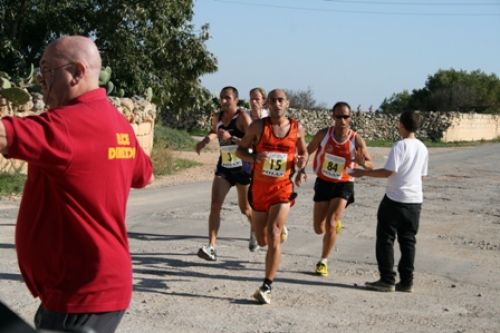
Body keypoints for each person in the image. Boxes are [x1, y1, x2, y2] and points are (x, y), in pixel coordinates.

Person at [0, 36, 153, 332]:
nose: (41, 79)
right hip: (99, 287)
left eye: (47, 70)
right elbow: (145, 175)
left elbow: (5, 135)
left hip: (81, 293)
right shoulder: (118, 124)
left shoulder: (67, 125)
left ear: (78, 72)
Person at [237, 89, 308, 304]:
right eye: (273, 100)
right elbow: (240, 151)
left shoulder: (297, 128)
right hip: (259, 189)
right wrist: (255, 156)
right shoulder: (258, 127)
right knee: (263, 239)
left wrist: (301, 169)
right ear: (268, 103)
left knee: (274, 233)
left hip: (282, 188)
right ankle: (276, 229)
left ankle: (267, 285)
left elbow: (304, 153)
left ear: (287, 103)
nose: (277, 104)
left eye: (281, 100)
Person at [350, 110, 428, 292]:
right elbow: (422, 176)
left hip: (394, 199)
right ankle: (407, 281)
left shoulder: (400, 146)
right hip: (415, 201)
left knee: (385, 238)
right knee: (408, 241)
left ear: (401, 124)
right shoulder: (423, 148)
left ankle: (387, 279)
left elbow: (388, 172)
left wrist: (364, 172)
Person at [296, 102, 373, 277]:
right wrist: (301, 170)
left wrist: (362, 163)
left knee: (330, 223)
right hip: (324, 182)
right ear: (333, 117)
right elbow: (306, 152)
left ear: (350, 118)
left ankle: (323, 261)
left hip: (344, 183)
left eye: (346, 117)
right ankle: (334, 225)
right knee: (318, 228)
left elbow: (370, 164)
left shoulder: (356, 139)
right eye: (339, 116)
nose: (342, 120)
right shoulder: (323, 135)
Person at [195, 86, 255, 260]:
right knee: (215, 205)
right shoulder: (218, 117)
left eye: (227, 98)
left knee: (245, 208)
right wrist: (205, 140)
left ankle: (254, 229)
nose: (223, 101)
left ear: (236, 100)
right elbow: (215, 131)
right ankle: (211, 247)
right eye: (221, 98)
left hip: (243, 167)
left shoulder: (243, 117)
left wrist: (232, 138)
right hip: (225, 166)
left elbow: (254, 142)